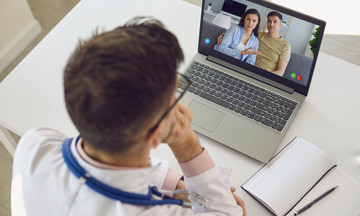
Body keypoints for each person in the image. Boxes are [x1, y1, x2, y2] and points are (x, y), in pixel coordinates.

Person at [11, 17, 246, 216]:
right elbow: (227, 212)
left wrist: (175, 185)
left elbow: (109, 164)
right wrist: (185, 141)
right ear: (156, 136)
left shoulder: (35, 144)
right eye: (173, 96)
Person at [218, 11, 291, 76]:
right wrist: (224, 39)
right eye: (269, 21)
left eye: (275, 22)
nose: (271, 24)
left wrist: (263, 76)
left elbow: (280, 72)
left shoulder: (285, 46)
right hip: (247, 71)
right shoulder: (258, 36)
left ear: (281, 25)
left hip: (265, 75)